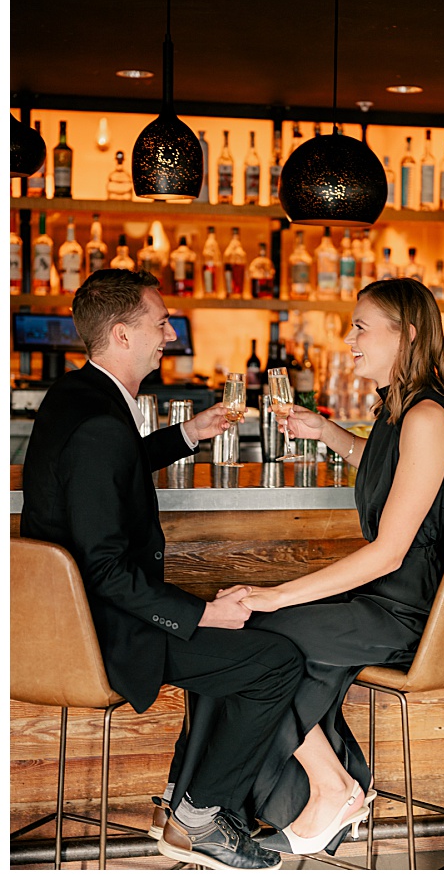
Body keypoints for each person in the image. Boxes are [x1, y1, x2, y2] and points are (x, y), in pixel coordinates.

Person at [20, 269, 303, 871]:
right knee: (275, 663)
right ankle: (199, 820)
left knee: (238, 644)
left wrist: (185, 435)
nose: (169, 334)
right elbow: (103, 568)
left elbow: (108, 468)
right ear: (122, 335)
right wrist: (200, 612)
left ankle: (188, 802)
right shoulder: (100, 421)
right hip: (102, 632)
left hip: (70, 622)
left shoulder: (78, 399)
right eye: (159, 322)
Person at [189, 277, 444, 856]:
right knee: (243, 634)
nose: (349, 339)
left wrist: (275, 595)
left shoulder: (427, 417)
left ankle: (327, 784)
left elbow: (389, 552)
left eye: (361, 326)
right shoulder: (403, 412)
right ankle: (313, 788)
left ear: (407, 333)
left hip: (402, 608)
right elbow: (387, 466)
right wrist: (327, 432)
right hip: (378, 600)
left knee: (253, 631)